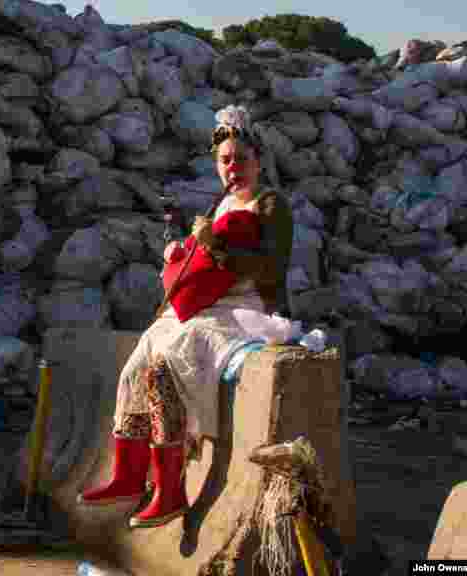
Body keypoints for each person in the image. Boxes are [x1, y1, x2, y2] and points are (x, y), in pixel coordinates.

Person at [76, 105, 296, 528]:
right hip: (208, 306)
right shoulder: (225, 202)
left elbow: (269, 267)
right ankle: (128, 475)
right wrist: (183, 255)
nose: (234, 167)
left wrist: (211, 244)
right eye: (225, 160)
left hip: (245, 310)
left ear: (259, 161)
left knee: (171, 357)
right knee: (143, 353)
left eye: (242, 159)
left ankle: (170, 489)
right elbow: (208, 262)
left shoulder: (271, 205)